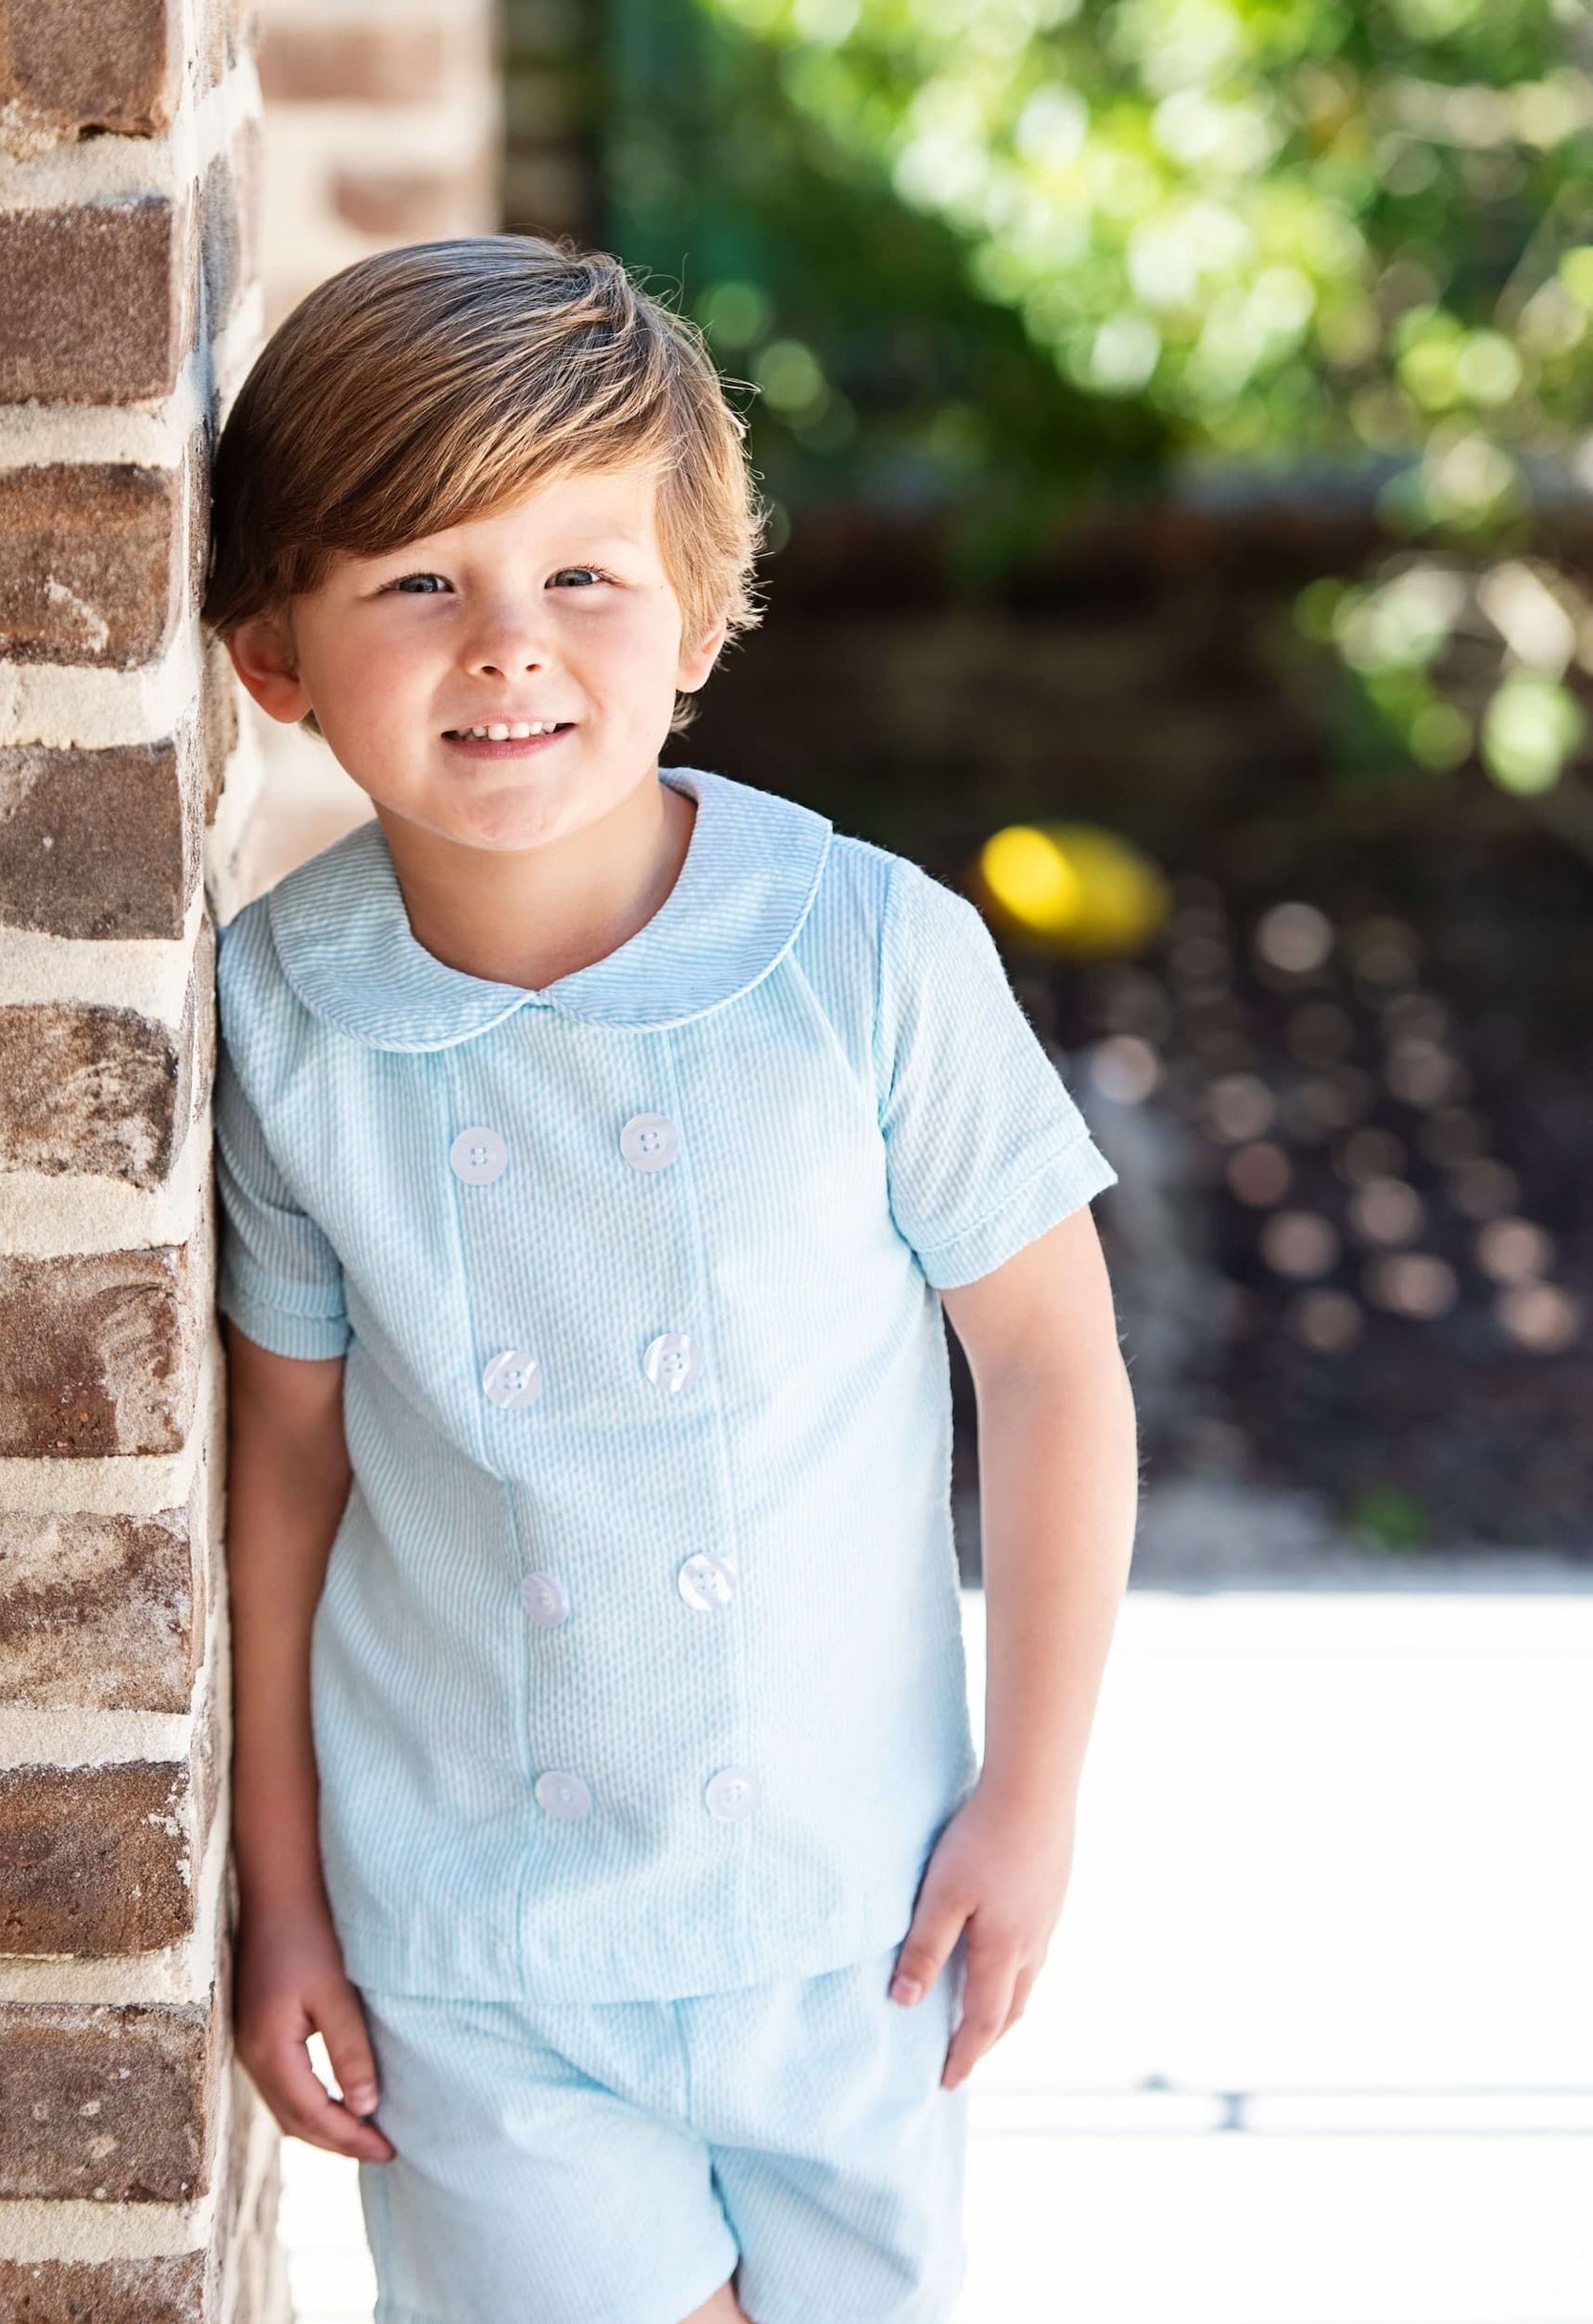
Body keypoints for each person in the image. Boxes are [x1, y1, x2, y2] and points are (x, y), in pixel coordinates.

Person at [202, 232, 1139, 2324]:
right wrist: (284, 1895)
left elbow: (1050, 1367)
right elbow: (285, 1466)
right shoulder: (279, 1016)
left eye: (581, 576)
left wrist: (1030, 1800)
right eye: (415, 581)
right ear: (271, 654)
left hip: (848, 1912)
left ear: (701, 614)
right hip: (473, 1945)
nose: (505, 647)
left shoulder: (869, 956)